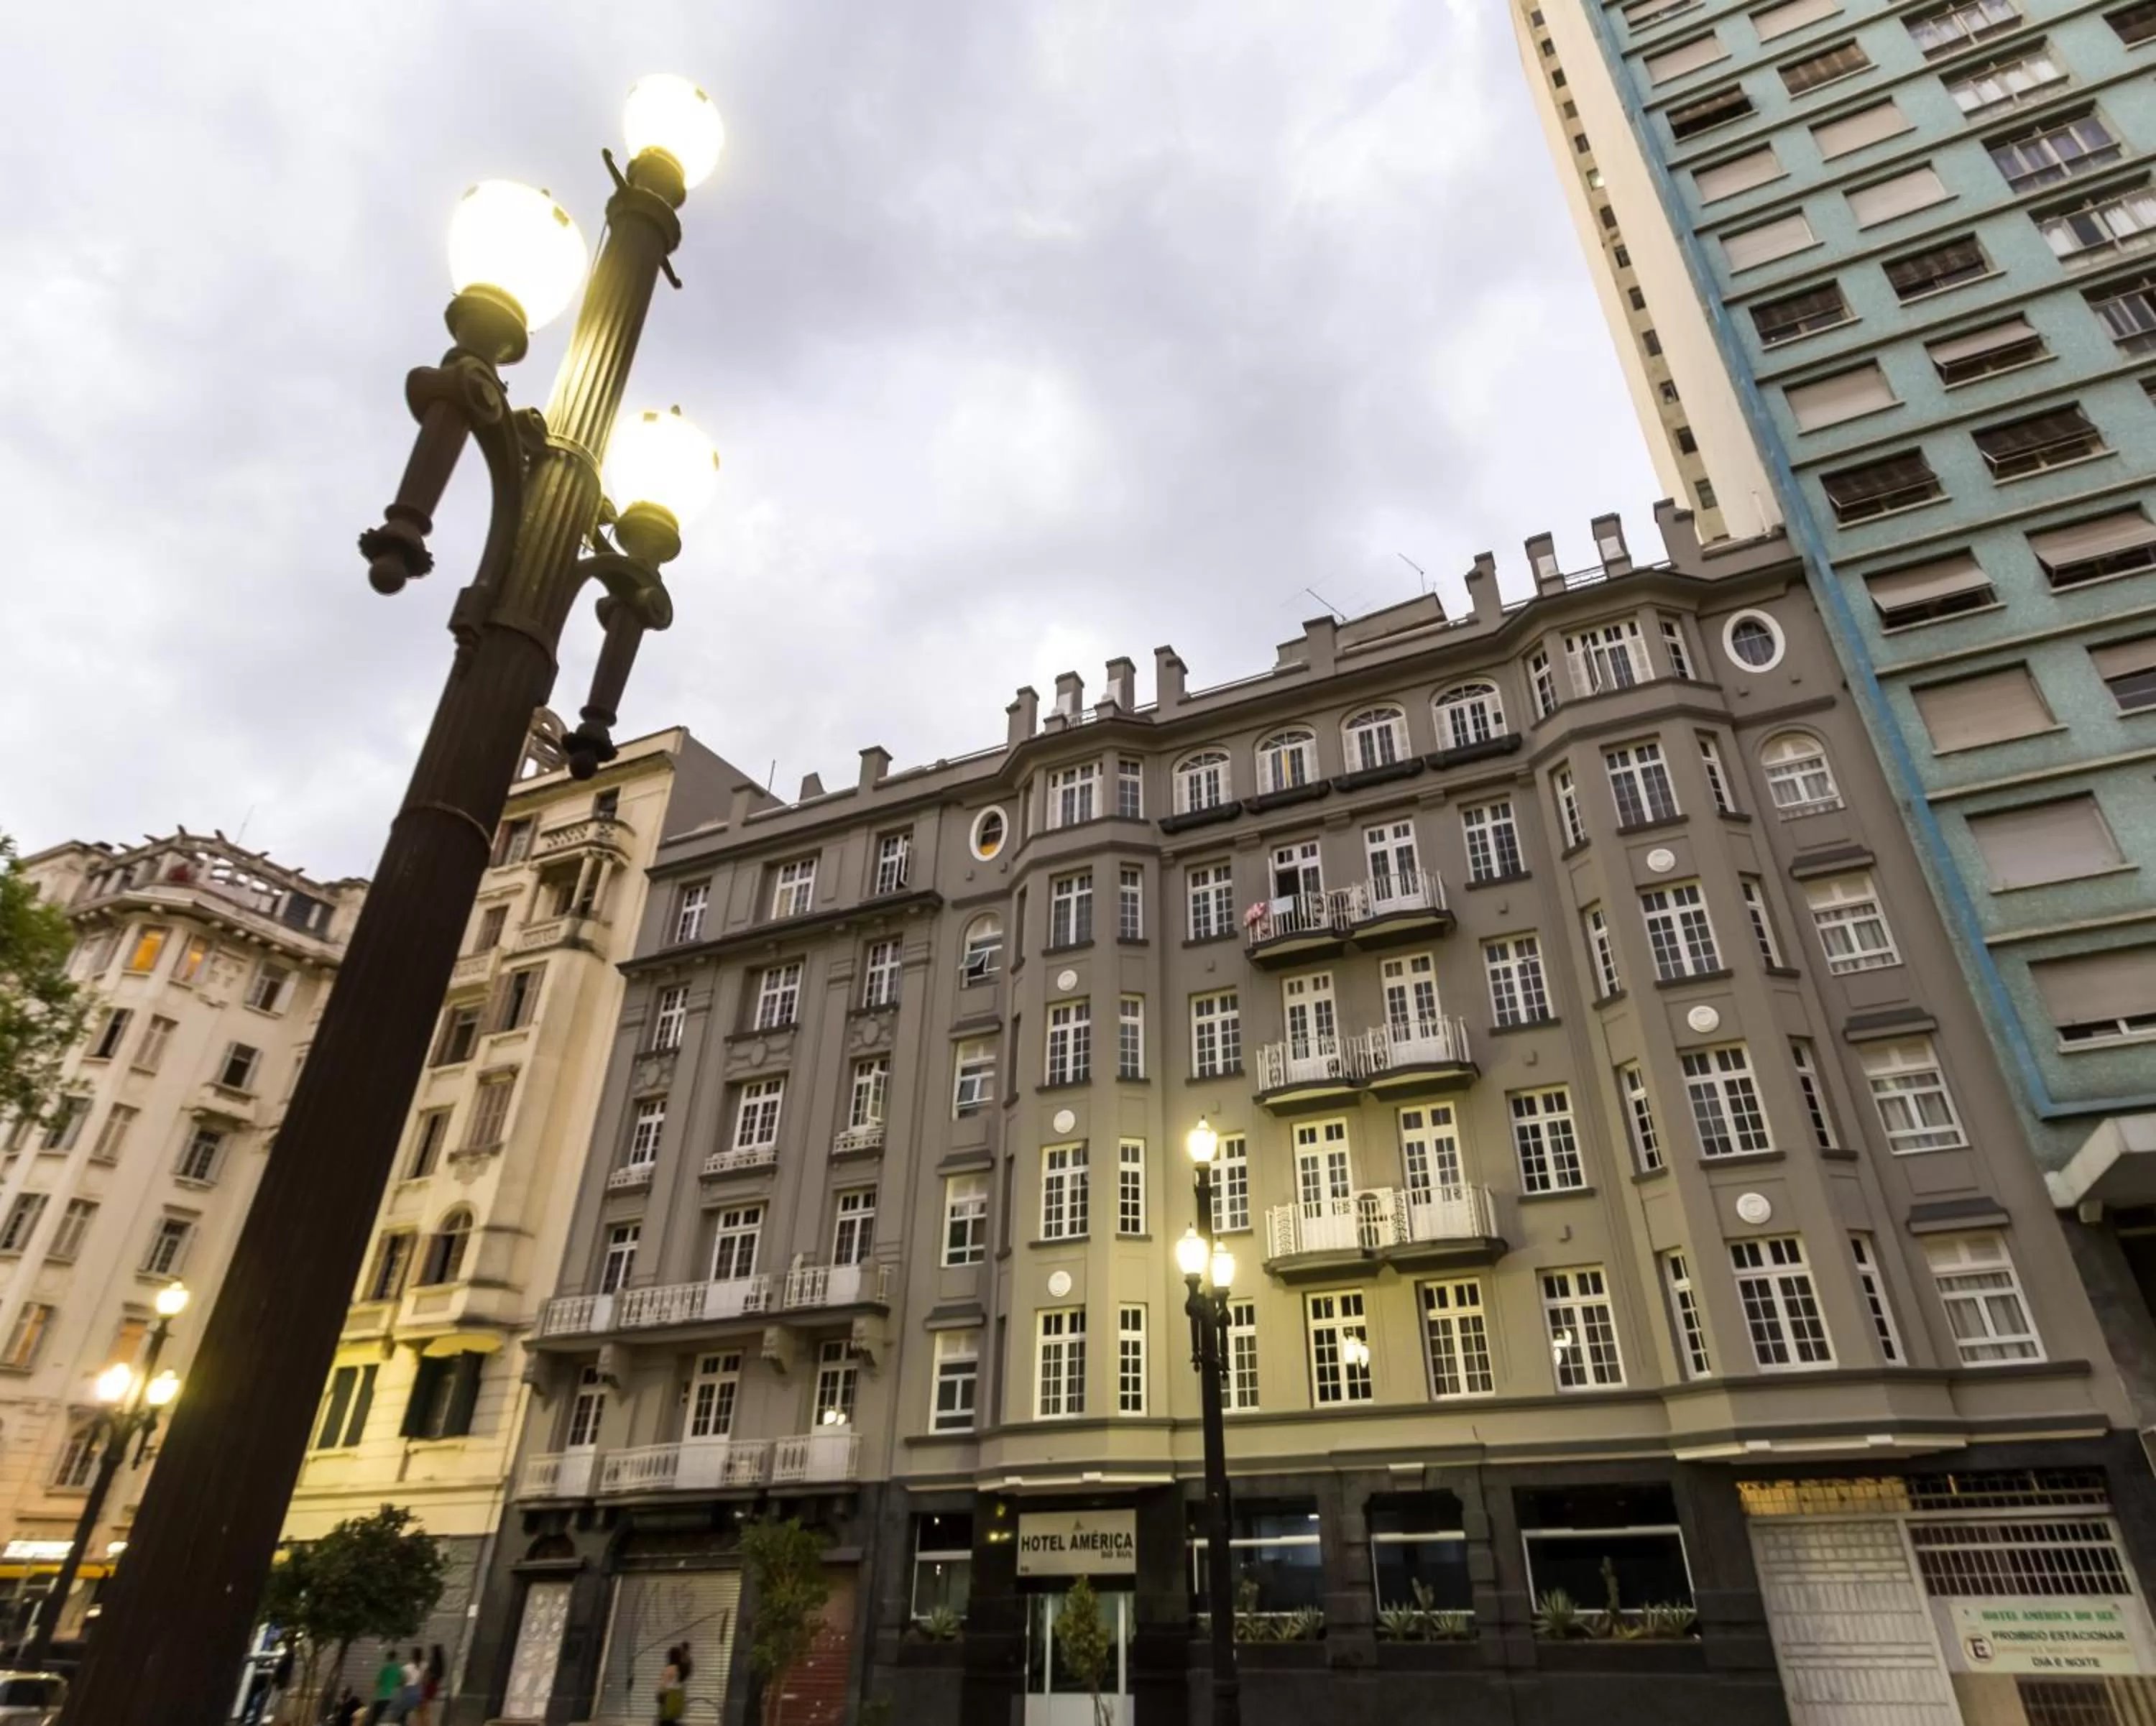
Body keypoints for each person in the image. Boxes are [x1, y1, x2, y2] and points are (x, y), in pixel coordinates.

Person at [415, 1643, 446, 1726]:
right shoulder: (441, 1664)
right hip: (434, 1686)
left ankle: (424, 1724)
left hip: (429, 1686)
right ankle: (424, 1723)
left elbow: (428, 1676)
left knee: (422, 1708)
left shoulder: (433, 1664)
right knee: (425, 1707)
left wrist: (424, 1682)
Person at [369, 1651, 403, 1726]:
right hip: (392, 1697)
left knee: (373, 1718)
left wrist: (372, 1692)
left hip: (382, 1696)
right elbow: (400, 1682)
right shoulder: (398, 1669)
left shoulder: (386, 1668)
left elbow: (378, 1682)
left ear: (389, 1657)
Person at [656, 1643, 686, 1725]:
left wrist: (660, 1695)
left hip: (668, 1700)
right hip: (677, 1701)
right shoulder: (681, 1670)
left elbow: (664, 1686)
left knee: (665, 1722)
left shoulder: (669, 1669)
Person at [396, 1646, 424, 1722]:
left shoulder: (406, 1668)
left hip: (408, 1691)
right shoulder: (424, 1667)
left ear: (412, 1656)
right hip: (418, 1692)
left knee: (403, 1714)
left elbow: (402, 1681)